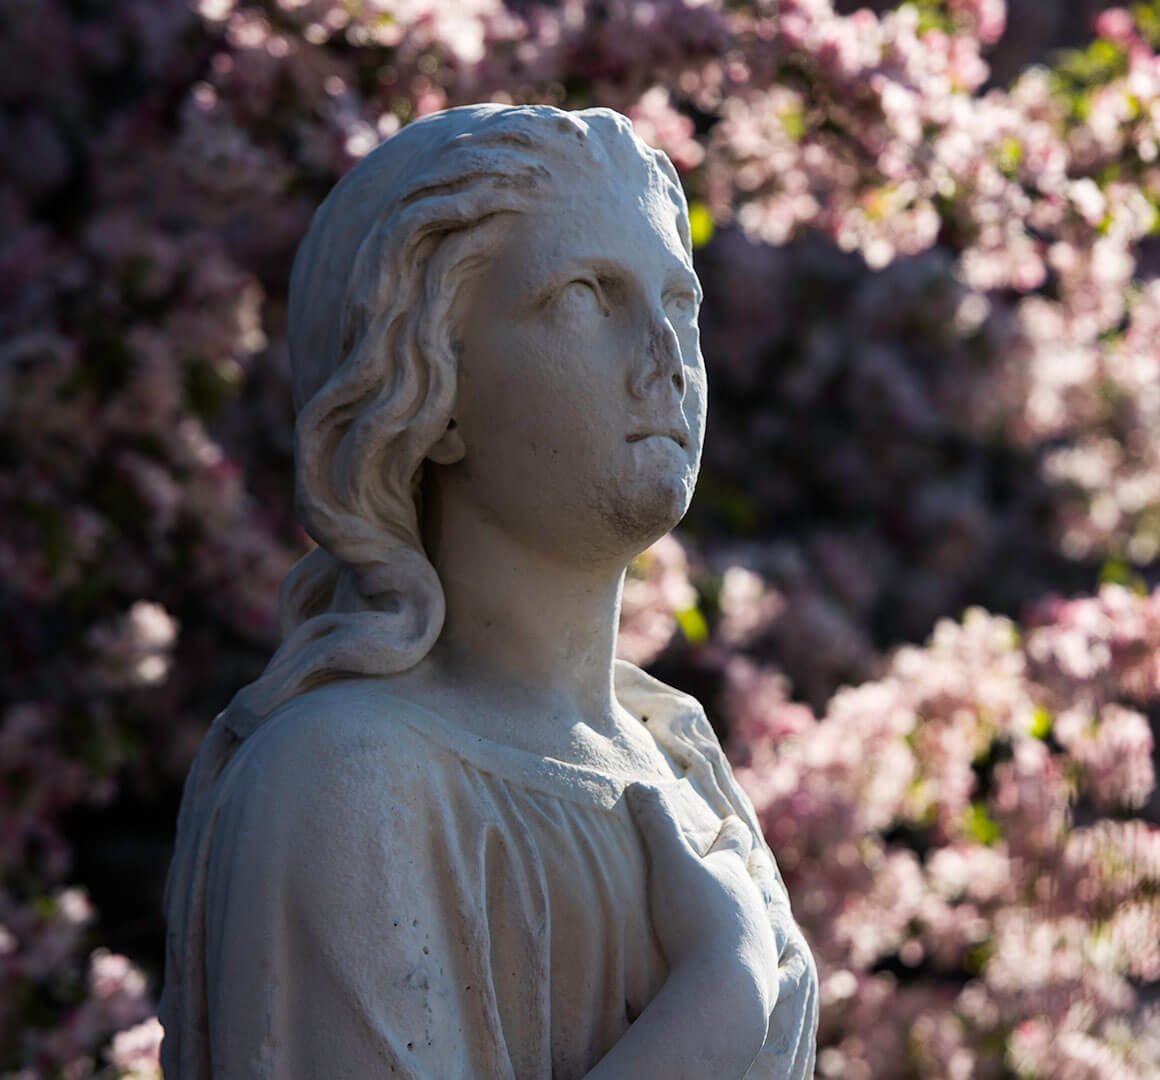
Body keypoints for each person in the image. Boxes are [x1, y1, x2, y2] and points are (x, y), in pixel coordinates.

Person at [159, 104, 818, 1079]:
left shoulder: (685, 771)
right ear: (429, 384)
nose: (666, 355)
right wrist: (720, 995)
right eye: (587, 296)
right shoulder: (344, 775)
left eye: (679, 304)